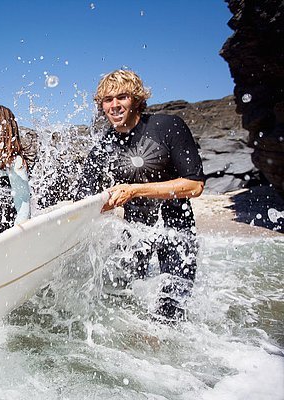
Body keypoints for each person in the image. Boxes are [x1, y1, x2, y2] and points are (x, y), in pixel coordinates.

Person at [76, 70, 205, 322]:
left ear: (136, 99)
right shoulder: (105, 144)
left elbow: (194, 185)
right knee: (128, 305)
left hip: (175, 232)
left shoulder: (167, 126)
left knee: (171, 312)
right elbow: (83, 193)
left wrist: (133, 190)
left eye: (122, 97)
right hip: (135, 235)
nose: (114, 105)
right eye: (107, 100)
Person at [0, 103, 32, 235]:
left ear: (5, 126)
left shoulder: (12, 160)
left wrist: (18, 236)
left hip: (4, 229)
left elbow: (23, 201)